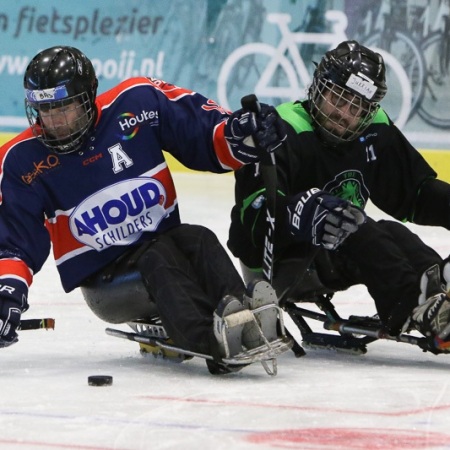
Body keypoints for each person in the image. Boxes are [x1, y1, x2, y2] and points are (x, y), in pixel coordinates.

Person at [0, 46, 290, 375]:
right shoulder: (21, 160)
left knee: (199, 238)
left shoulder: (139, 102)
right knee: (158, 257)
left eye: (63, 106)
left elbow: (202, 133)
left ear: (87, 96)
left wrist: (242, 134)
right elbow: (15, 240)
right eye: (44, 109)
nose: (54, 121)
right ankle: (212, 342)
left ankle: (246, 321)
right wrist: (8, 291)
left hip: (163, 241)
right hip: (104, 278)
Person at [227, 40, 450, 353]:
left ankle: (438, 300)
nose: (345, 113)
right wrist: (298, 214)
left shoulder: (373, 129)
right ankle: (412, 306)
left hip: (340, 256)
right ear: (318, 89)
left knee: (392, 232)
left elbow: (413, 195)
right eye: (339, 99)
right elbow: (248, 226)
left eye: (357, 107)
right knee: (353, 222)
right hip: (283, 265)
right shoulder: (280, 129)